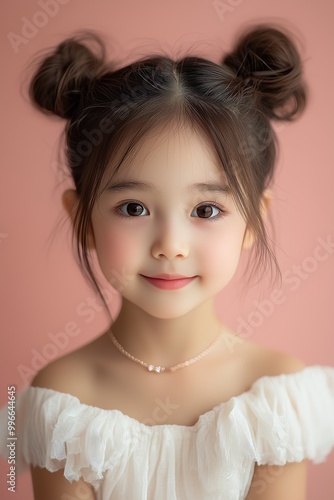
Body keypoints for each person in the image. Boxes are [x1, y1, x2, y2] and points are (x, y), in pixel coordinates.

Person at [1, 24, 334, 500]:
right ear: (83, 220)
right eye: (134, 208)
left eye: (206, 210)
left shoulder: (275, 392)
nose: (170, 245)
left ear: (254, 221)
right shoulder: (62, 398)